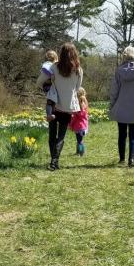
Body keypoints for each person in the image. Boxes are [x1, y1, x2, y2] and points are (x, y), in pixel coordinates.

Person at [36, 43, 83, 171]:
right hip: (68, 106)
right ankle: (54, 161)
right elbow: (77, 88)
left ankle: (54, 161)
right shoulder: (78, 70)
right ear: (74, 53)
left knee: (52, 134)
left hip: (54, 104)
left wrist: (47, 88)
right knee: (61, 136)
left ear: (61, 53)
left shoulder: (54, 67)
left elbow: (39, 82)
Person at [109, 46, 134, 168]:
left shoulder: (119, 71)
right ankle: (131, 160)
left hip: (121, 107)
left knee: (122, 134)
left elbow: (114, 91)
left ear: (124, 56)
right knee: (133, 135)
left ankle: (121, 159)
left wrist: (112, 105)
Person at [39, 50, 59, 122]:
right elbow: (44, 69)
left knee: (52, 101)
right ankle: (49, 115)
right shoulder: (47, 63)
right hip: (48, 85)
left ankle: (51, 114)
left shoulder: (53, 64)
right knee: (50, 101)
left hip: (49, 85)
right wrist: (51, 75)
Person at [69, 87, 89, 156]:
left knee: (79, 141)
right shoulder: (85, 104)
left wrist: (71, 124)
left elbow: (74, 118)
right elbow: (85, 116)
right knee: (79, 140)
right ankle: (78, 152)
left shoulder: (78, 106)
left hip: (79, 127)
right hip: (83, 126)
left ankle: (81, 152)